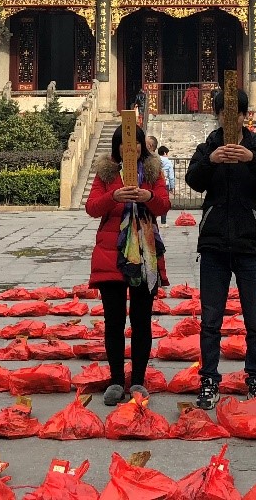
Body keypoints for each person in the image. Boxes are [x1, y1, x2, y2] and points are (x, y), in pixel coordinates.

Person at [186, 88, 256, 409]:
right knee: (210, 320)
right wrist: (211, 162)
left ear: (243, 115)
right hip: (213, 245)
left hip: (250, 245)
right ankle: (209, 380)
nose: (228, 119)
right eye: (222, 114)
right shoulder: (208, 146)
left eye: (234, 114)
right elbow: (193, 180)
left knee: (255, 319)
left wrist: (252, 159)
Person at [84, 124, 171, 405]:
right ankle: (116, 380)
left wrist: (149, 197)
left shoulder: (153, 171)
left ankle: (138, 381)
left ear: (142, 146)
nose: (129, 149)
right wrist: (113, 196)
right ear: (117, 147)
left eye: (134, 144)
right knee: (114, 321)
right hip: (112, 254)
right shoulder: (107, 172)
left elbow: (164, 205)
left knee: (141, 320)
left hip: (145, 251)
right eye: (124, 144)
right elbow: (91, 207)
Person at [156, 144, 176, 225]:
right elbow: (171, 176)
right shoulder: (168, 162)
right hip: (165, 184)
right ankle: (163, 222)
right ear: (165, 153)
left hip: (156, 183)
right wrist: (172, 187)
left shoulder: (155, 160)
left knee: (156, 201)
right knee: (164, 202)